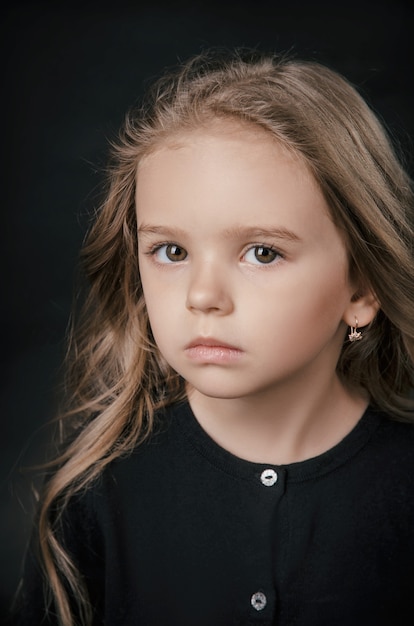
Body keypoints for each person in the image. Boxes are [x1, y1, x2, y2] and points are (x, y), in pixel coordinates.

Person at [15, 47, 414, 626]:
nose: (202, 296)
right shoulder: (96, 490)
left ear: (362, 288)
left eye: (262, 252)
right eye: (171, 251)